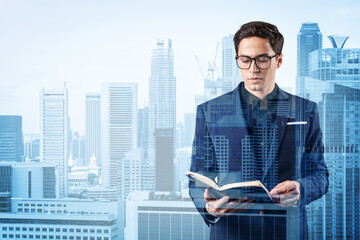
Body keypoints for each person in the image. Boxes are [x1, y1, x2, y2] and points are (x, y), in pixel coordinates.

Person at [188, 21, 329, 240]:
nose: (253, 69)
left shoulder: (305, 111)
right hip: (232, 232)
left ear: (278, 60)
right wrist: (209, 207)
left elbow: (320, 175)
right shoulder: (209, 113)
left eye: (262, 59)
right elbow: (197, 179)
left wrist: (301, 189)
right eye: (245, 60)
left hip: (287, 233)